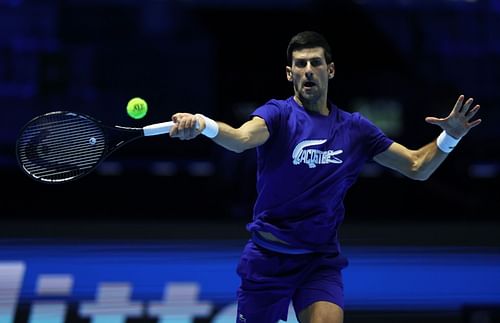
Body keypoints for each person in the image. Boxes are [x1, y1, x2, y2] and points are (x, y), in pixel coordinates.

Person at [168, 31, 482, 323]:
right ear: (290, 74)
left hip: (319, 261)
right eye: (300, 64)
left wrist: (449, 139)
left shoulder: (355, 129)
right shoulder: (277, 115)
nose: (308, 70)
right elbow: (239, 139)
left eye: (315, 63)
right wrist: (202, 124)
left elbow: (417, 167)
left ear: (329, 70)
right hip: (268, 258)